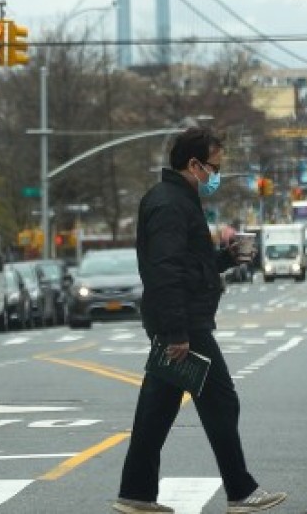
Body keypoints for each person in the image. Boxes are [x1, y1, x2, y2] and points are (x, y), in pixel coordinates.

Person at [114, 127, 287, 514]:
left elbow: (189, 266)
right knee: (221, 402)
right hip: (184, 324)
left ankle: (136, 494)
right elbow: (166, 270)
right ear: (194, 165)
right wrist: (176, 331)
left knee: (157, 411)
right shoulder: (170, 204)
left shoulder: (177, 200)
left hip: (179, 319)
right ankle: (240, 492)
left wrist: (225, 257)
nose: (216, 176)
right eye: (214, 168)